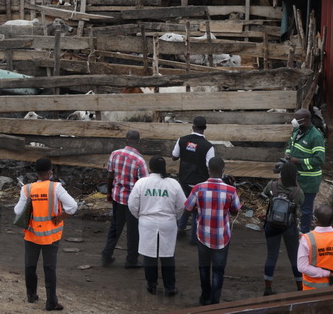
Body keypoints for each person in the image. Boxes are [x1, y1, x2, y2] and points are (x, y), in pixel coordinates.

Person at [14, 157, 78, 312]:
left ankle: (31, 295)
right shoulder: (56, 188)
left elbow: (17, 211)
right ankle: (51, 302)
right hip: (51, 236)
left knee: (30, 265)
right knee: (49, 268)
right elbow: (72, 206)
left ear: (37, 172)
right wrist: (60, 217)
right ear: (50, 172)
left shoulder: (27, 189)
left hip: (32, 234)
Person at [184, 157, 241, 306]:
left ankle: (205, 296)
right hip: (222, 236)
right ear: (223, 170)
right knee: (218, 270)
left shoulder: (198, 188)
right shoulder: (231, 190)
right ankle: (214, 301)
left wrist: (201, 208)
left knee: (203, 267)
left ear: (209, 169)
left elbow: (188, 208)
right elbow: (235, 211)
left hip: (203, 234)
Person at [128, 155, 187, 296]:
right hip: (168, 223)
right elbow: (182, 206)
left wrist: (141, 216)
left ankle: (151, 285)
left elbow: (132, 204)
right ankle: (170, 286)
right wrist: (174, 217)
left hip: (147, 223)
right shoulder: (173, 184)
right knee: (167, 255)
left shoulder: (142, 183)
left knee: (149, 255)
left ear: (150, 168)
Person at [100, 129, 148, 268]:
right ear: (138, 142)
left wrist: (109, 193)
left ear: (126, 140)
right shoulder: (140, 161)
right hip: (132, 201)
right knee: (133, 230)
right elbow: (143, 184)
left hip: (117, 196)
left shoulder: (115, 154)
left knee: (115, 226)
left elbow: (110, 176)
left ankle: (106, 255)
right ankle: (131, 260)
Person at [261, 162, 304, 295]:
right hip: (289, 227)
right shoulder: (298, 192)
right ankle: (300, 287)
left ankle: (268, 288)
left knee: (271, 256)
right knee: (294, 257)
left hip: (271, 225)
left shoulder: (271, 185)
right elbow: (300, 207)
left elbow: (263, 196)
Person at [172, 116, 215, 244]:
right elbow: (210, 166)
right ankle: (194, 238)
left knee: (186, 204)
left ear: (193, 126)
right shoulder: (208, 146)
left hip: (184, 180)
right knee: (197, 209)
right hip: (199, 183)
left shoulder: (182, 140)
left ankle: (180, 228)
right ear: (205, 128)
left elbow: (174, 157)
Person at [285, 108, 325, 233]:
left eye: (297, 119)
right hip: (295, 177)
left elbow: (319, 160)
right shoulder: (297, 130)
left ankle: (304, 232)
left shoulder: (316, 137)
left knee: (306, 209)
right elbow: (290, 145)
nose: (294, 121)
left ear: (306, 120)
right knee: (291, 204)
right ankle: (291, 229)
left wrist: (299, 161)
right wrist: (287, 155)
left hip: (309, 179)